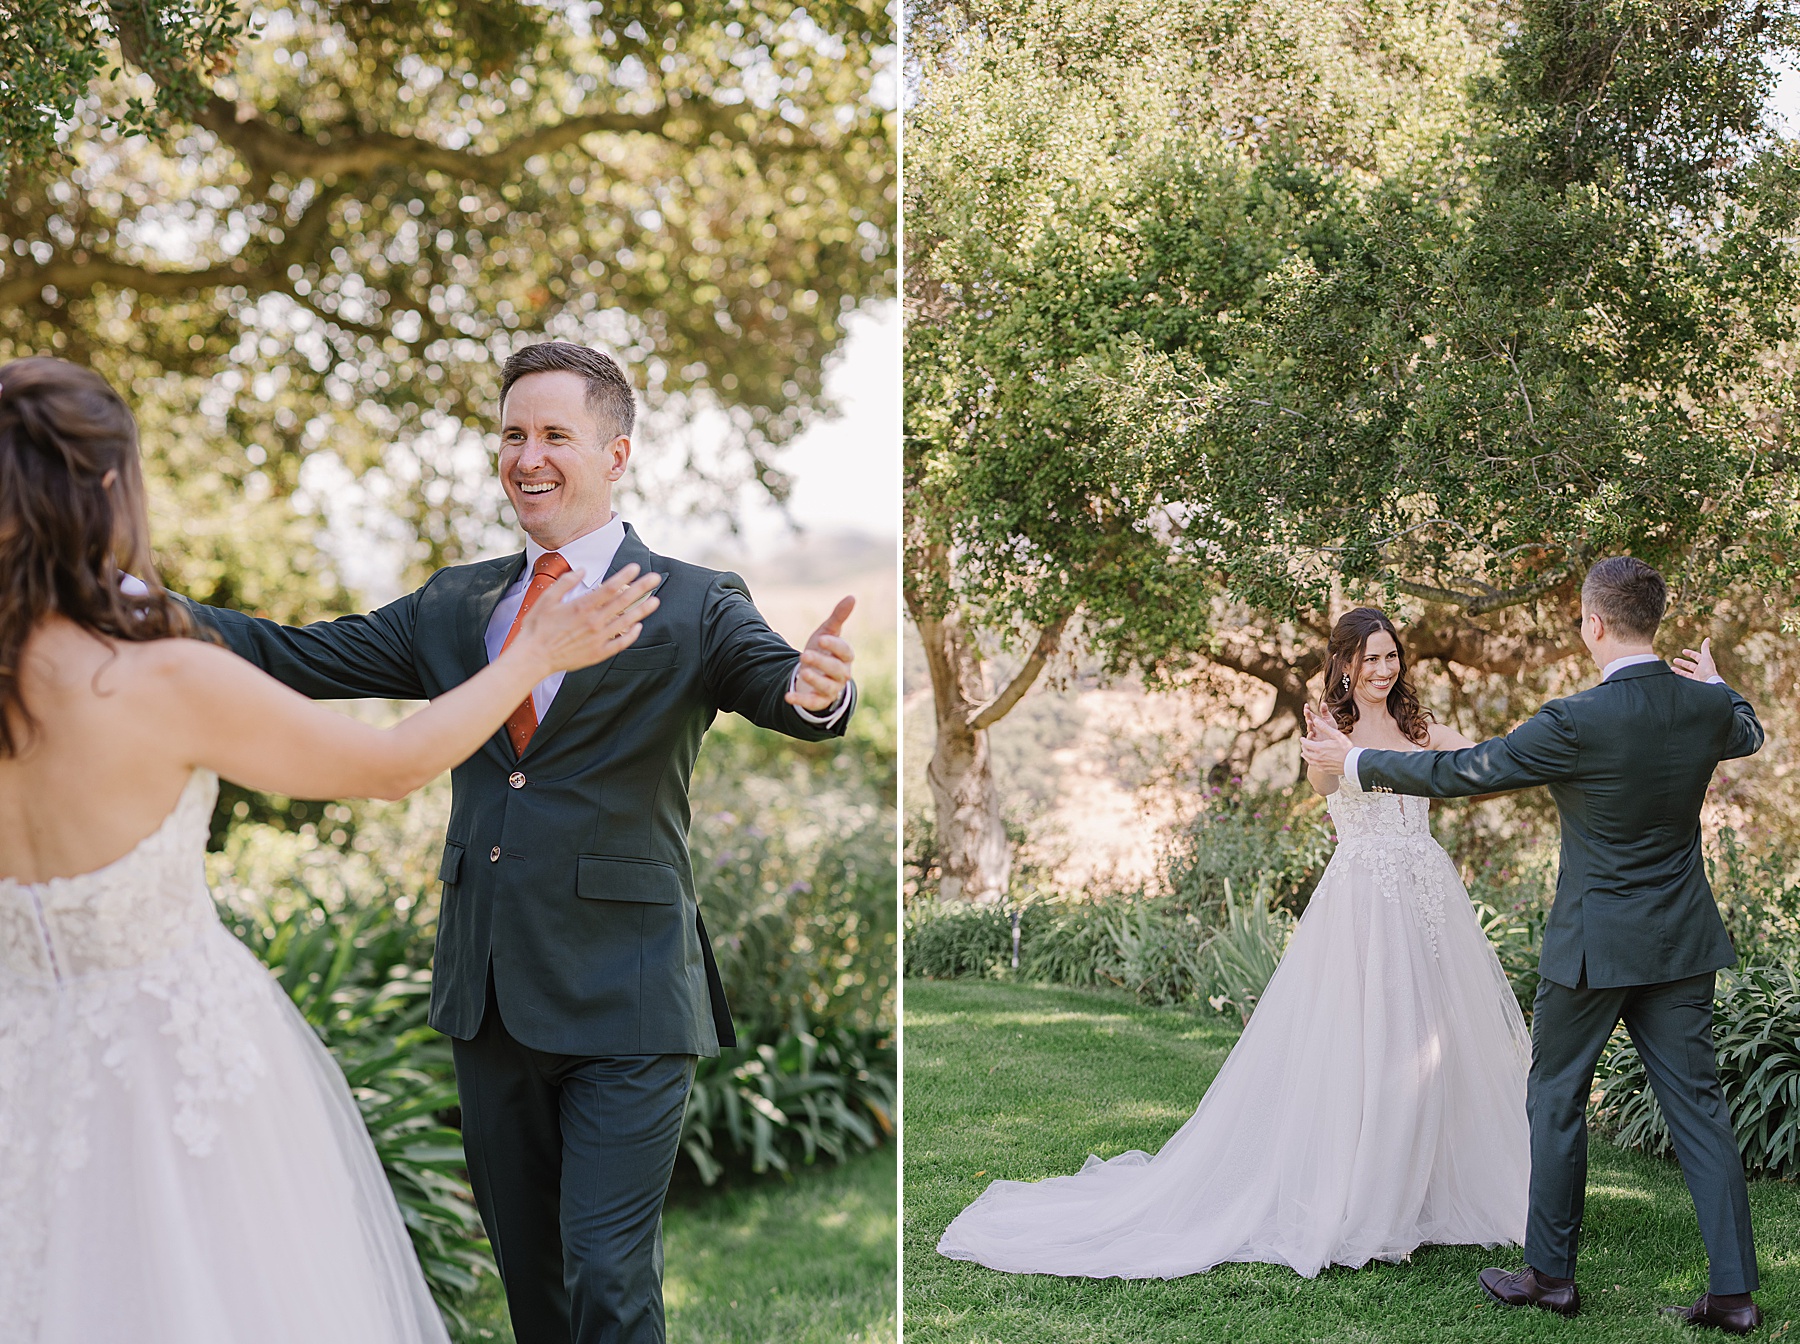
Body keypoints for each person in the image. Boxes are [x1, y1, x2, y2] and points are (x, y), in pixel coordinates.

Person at [182, 340, 859, 1344]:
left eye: (554, 435)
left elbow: (784, 687)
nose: (527, 456)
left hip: (629, 1002)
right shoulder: (455, 605)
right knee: (534, 1289)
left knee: (607, 1279)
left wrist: (820, 689)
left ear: (616, 452)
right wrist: (132, 609)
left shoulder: (693, 600)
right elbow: (296, 656)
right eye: (511, 434)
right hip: (489, 992)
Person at [0, 355, 660, 1342]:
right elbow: (389, 765)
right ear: (105, 490)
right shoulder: (155, 679)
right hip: (183, 1073)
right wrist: (534, 655)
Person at [937, 607, 1531, 1279]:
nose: (1384, 669)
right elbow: (1324, 783)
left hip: (1426, 893)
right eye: (1370, 658)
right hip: (1364, 899)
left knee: (1430, 1043)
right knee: (1366, 1043)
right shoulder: (1329, 730)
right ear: (1344, 664)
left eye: (1392, 656)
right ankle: (1366, 1202)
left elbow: (1481, 760)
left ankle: (1424, 1193)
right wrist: (1330, 753)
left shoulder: (1419, 725)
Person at [1302, 557, 1765, 1334]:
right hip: (1682, 944)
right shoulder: (1706, 708)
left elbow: (1463, 772)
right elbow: (1748, 731)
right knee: (1701, 1112)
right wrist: (1721, 685)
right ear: (1652, 621)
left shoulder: (1574, 720)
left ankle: (1549, 1279)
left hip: (1591, 950)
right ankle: (1736, 1295)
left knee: (1555, 1102)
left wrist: (1351, 762)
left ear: (1592, 623)